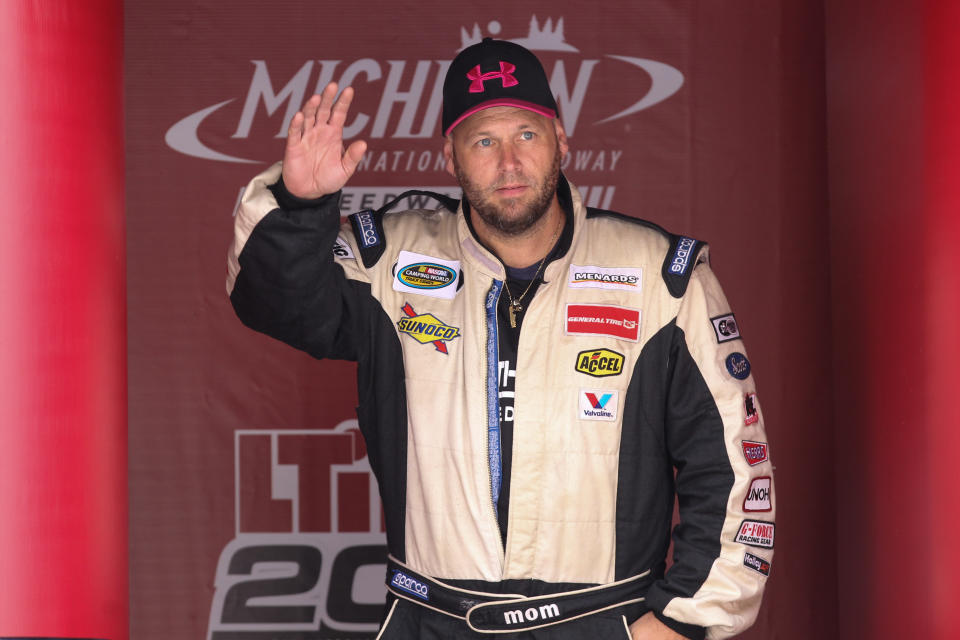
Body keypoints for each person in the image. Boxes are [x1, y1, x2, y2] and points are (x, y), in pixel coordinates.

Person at [227, 38, 774, 640]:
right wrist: (301, 205)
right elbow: (271, 301)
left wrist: (681, 621)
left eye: (527, 135)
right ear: (450, 157)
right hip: (432, 620)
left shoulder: (661, 277)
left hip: (600, 622)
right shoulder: (386, 261)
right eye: (484, 141)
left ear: (561, 141)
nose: (508, 163)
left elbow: (734, 469)